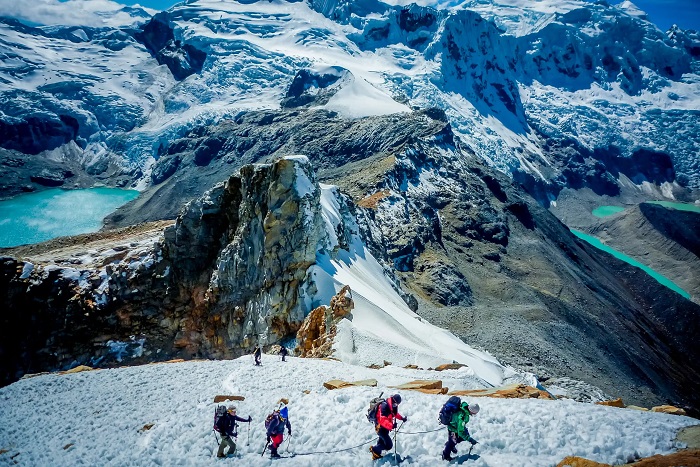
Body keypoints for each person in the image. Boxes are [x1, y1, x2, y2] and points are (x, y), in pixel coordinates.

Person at [370, 394, 407, 460]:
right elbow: (383, 420)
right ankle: (374, 449)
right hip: (380, 429)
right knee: (389, 445)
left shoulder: (391, 406)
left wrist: (402, 418)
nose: (396, 405)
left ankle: (376, 456)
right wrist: (392, 426)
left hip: (385, 429)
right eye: (396, 404)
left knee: (381, 442)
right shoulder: (384, 406)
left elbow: (394, 414)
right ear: (393, 400)